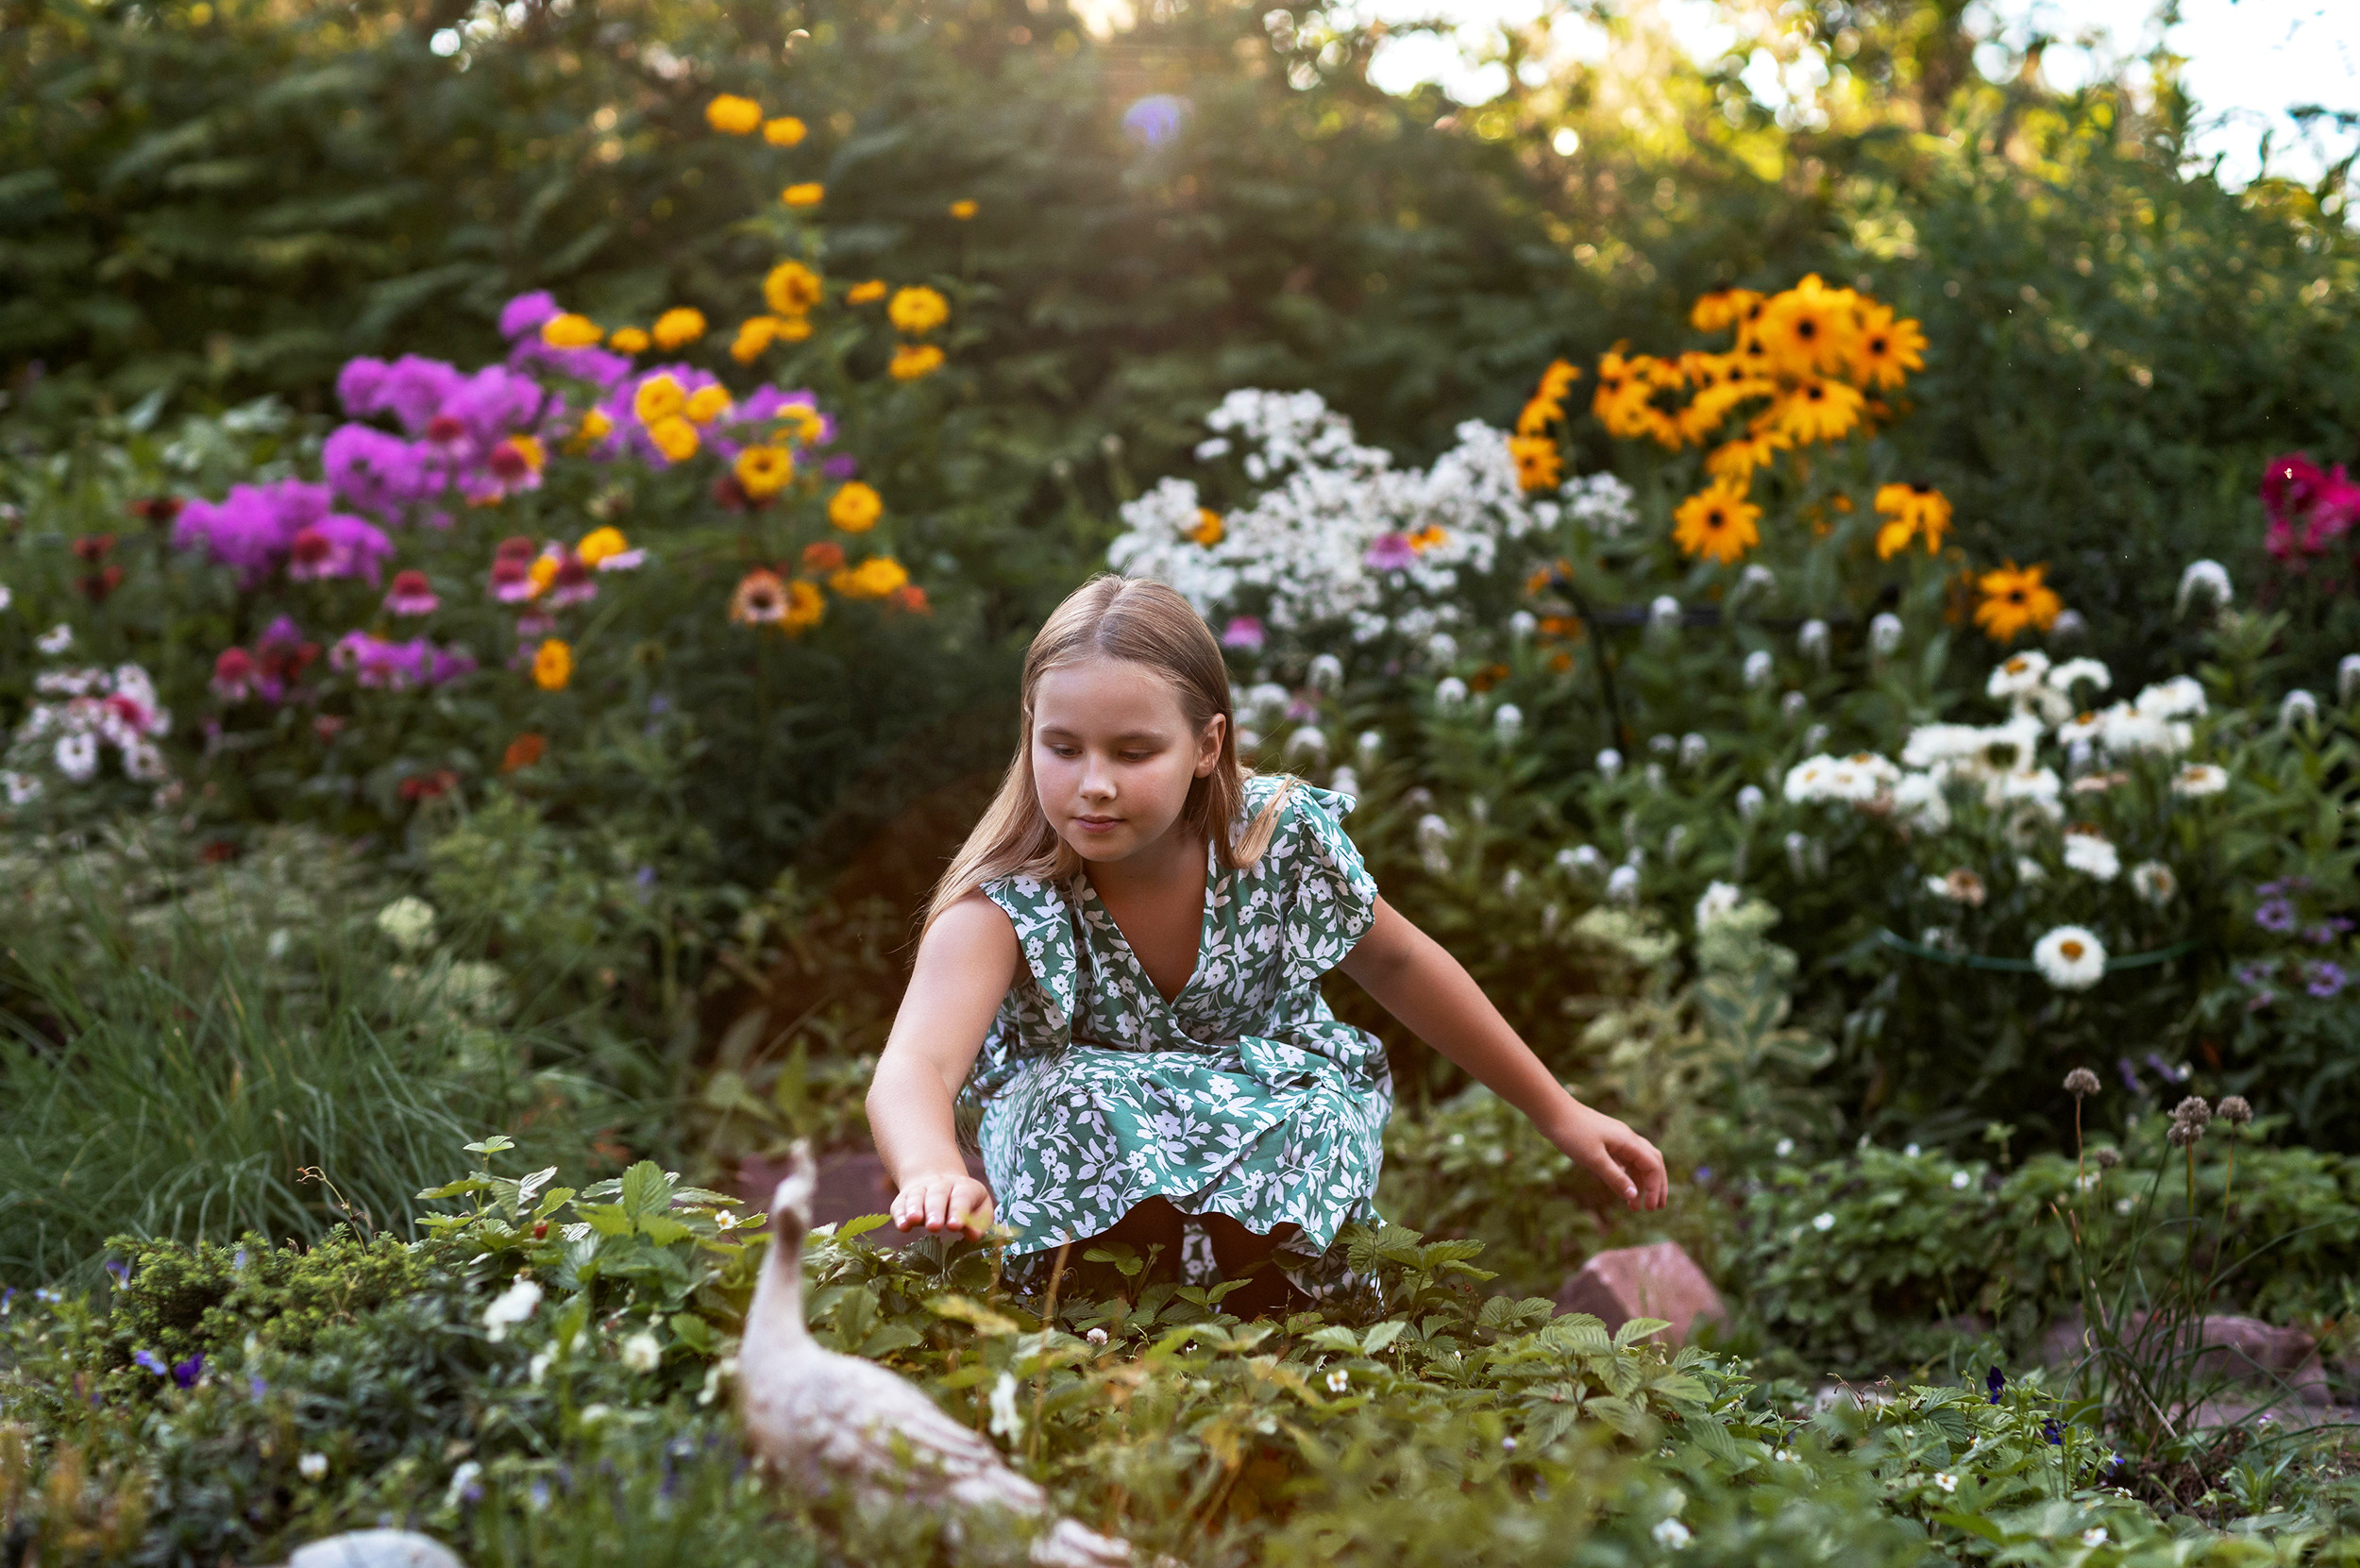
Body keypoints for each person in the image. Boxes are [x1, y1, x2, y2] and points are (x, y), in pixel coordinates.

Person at [866, 574, 1666, 1318]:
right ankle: (1102, 1337)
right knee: (1076, 1101)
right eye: (1064, 747)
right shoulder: (1011, 892)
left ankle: (1283, 1345)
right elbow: (918, 1065)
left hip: (1265, 1122)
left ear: (1208, 744)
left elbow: (1399, 961)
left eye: (1134, 751)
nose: (1093, 782)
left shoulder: (1273, 841)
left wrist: (1558, 1111)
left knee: (1309, 1109)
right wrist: (932, 1165)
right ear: (1032, 730)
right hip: (1095, 1164)